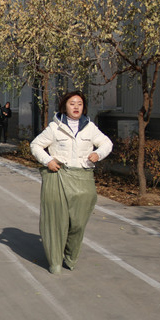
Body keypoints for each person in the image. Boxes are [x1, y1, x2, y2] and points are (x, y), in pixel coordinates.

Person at [30, 90, 112, 275]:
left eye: (79, 104)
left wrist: (97, 154)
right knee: (56, 221)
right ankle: (55, 261)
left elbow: (107, 143)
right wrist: (48, 161)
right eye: (72, 103)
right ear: (64, 106)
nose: (76, 107)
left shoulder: (90, 128)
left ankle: (70, 255)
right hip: (58, 177)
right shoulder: (55, 127)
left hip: (83, 178)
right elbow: (35, 145)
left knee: (78, 223)